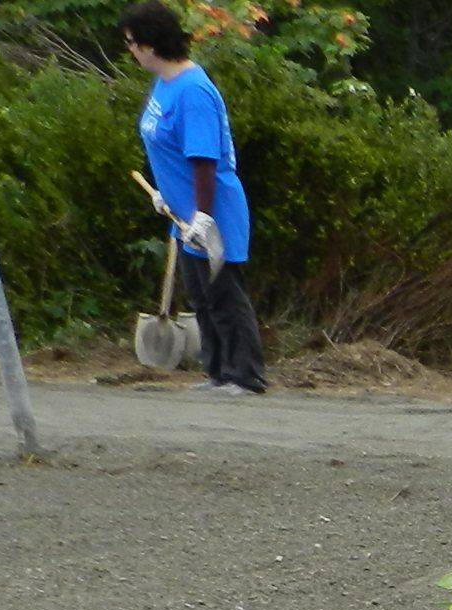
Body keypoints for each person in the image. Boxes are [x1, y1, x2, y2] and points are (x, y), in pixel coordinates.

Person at [120, 2, 264, 395]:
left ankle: (246, 375)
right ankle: (218, 372)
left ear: (151, 44)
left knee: (224, 294)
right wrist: (163, 193)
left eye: (132, 43)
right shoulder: (164, 85)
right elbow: (168, 148)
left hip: (212, 211)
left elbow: (204, 159)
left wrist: (203, 215)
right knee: (201, 296)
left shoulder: (193, 91)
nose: (130, 50)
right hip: (182, 213)